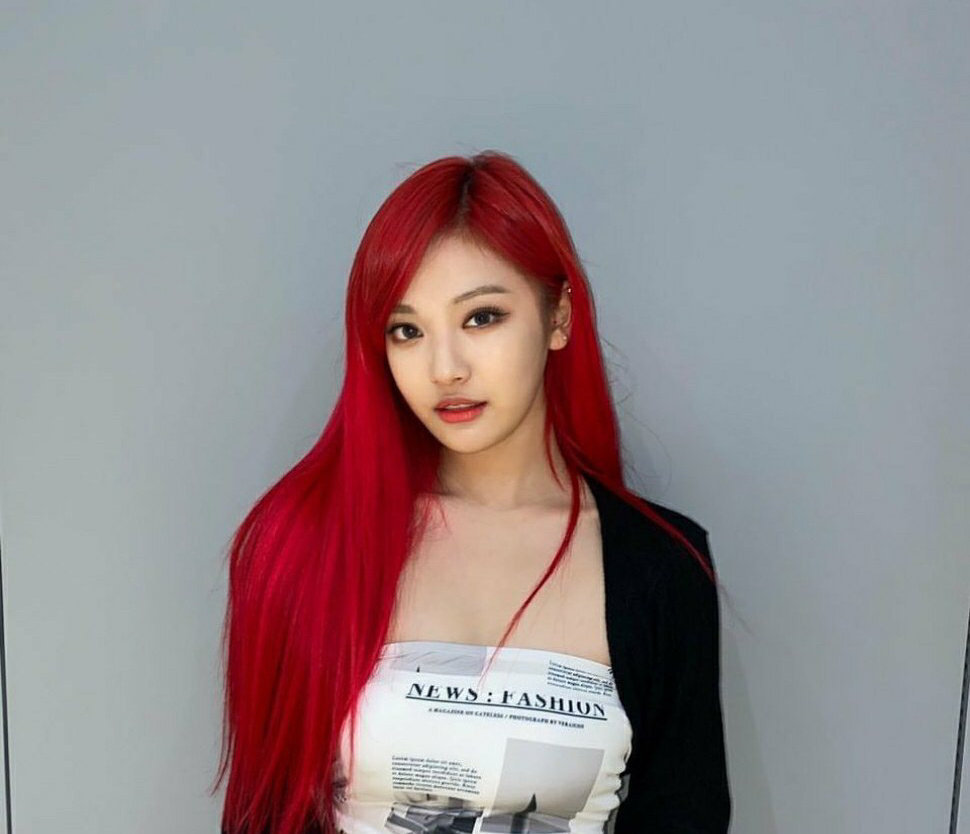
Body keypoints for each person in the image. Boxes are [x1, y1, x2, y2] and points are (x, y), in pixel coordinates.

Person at [213, 150, 731, 834]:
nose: (445, 368)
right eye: (407, 330)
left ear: (559, 316)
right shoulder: (302, 542)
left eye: (481, 317)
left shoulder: (662, 566)